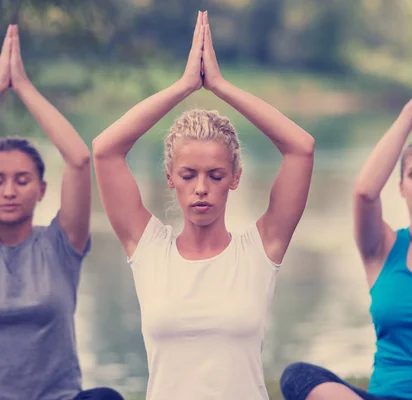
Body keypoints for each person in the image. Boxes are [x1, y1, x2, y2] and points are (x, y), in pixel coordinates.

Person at [92, 10, 315, 400]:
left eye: (215, 175)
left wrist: (220, 86)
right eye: (188, 174)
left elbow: (301, 148)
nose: (201, 189)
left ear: (235, 178)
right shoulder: (149, 250)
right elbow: (105, 150)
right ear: (169, 178)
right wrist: (183, 86)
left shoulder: (260, 250)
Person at [0, 25, 123, 400]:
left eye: (22, 180)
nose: (10, 191)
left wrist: (25, 88)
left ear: (42, 189)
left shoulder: (63, 245)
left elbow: (79, 159)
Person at [280, 46, 412, 400]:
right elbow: (363, 191)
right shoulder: (381, 248)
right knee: (298, 376)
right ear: (401, 186)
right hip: (389, 396)